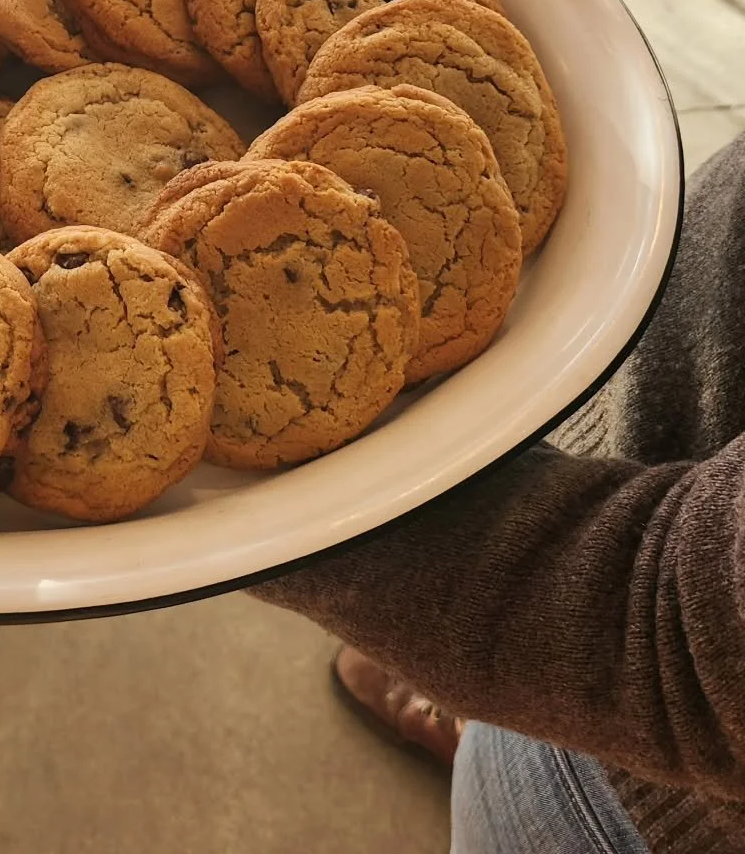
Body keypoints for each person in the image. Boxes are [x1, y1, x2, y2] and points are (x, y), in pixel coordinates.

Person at [251, 133, 745, 854]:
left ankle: (511, 733)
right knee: (515, 702)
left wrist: (293, 516)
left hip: (644, 807)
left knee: (519, 781)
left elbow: (683, 647)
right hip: (662, 469)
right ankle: (495, 710)